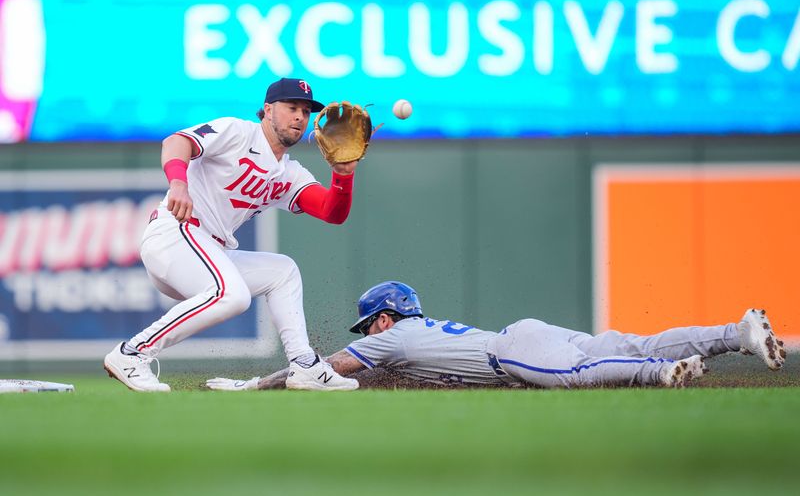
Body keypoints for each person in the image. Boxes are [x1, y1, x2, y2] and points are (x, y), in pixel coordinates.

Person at [104, 78, 364, 392]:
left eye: (306, 111)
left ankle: (304, 365)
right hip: (175, 234)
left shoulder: (290, 173)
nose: (300, 117)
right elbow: (175, 142)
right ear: (268, 110)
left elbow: (331, 212)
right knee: (233, 295)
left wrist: (343, 175)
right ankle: (132, 353)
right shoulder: (238, 132)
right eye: (291, 107)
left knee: (283, 271)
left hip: (205, 255)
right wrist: (178, 184)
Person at [206, 281, 787, 391]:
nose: (371, 332)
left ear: (385, 318)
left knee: (579, 377)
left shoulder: (391, 340)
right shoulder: (419, 332)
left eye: (371, 321)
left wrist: (259, 383)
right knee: (630, 340)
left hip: (514, 352)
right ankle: (737, 333)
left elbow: (317, 370)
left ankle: (664, 376)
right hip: (523, 334)